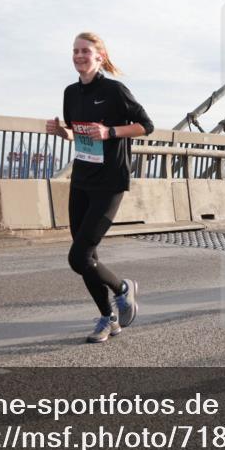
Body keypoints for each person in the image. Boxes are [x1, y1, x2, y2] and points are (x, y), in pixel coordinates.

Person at [46, 32, 154, 343]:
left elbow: (146, 126)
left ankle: (123, 288)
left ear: (100, 57)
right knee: (87, 256)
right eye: (75, 51)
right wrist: (60, 132)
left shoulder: (114, 90)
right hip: (81, 180)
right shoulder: (71, 93)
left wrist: (109, 132)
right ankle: (108, 318)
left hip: (110, 181)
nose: (79, 56)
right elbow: (78, 135)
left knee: (78, 257)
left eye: (85, 51)